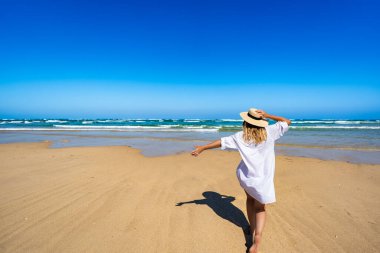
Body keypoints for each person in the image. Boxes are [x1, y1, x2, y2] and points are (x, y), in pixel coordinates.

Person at [191, 108, 291, 253]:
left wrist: (203, 148)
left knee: (250, 200)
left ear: (246, 122)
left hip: (246, 177)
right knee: (260, 208)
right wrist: (268, 115)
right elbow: (286, 121)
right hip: (262, 179)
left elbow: (221, 142)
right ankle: (256, 240)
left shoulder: (240, 136)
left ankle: (251, 227)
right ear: (262, 122)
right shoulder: (270, 132)